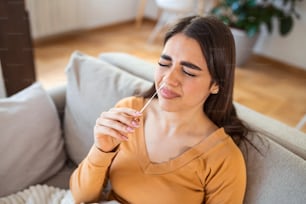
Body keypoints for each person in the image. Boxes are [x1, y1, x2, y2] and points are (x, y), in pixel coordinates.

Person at [70, 15, 250, 204]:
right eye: (164, 64)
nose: (168, 79)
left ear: (216, 84)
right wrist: (101, 150)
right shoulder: (128, 112)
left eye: (188, 72)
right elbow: (81, 197)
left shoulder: (224, 160)